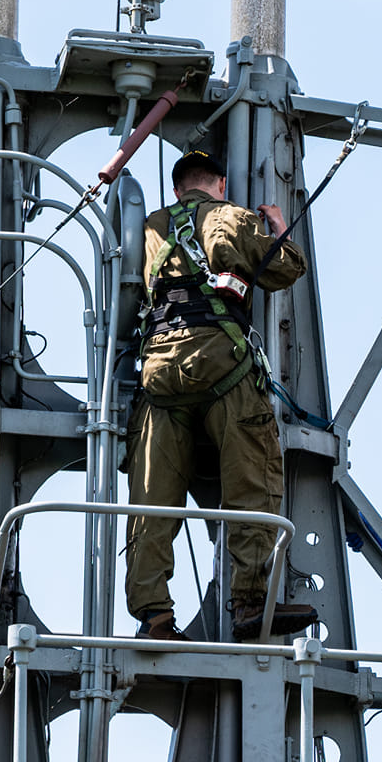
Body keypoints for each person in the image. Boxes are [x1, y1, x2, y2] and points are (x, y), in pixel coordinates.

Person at [124, 150, 322, 643]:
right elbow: (286, 269)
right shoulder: (230, 216)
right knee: (251, 481)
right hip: (222, 363)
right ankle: (250, 604)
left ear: (176, 190)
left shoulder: (148, 228)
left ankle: (153, 618)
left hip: (159, 373)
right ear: (219, 183)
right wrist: (277, 226)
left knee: (154, 499)